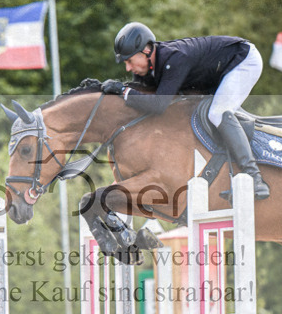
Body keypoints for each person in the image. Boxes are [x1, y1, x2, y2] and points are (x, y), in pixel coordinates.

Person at [103, 22, 270, 199]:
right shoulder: (149, 67)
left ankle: (255, 178)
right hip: (218, 71)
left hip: (243, 61)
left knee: (217, 113)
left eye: (129, 61)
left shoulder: (174, 59)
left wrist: (123, 90)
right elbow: (141, 99)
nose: (128, 68)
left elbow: (157, 105)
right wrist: (107, 89)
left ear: (146, 51)